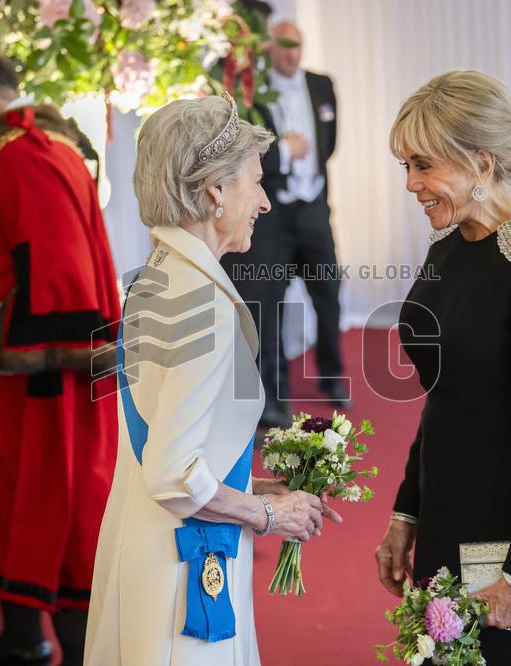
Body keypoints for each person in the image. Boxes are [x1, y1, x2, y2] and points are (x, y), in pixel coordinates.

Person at [84, 94, 341, 666]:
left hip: (143, 539)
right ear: (214, 191)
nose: (266, 202)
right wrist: (270, 515)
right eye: (256, 182)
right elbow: (175, 476)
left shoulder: (160, 275)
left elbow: (170, 434)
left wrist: (251, 486)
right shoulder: (203, 302)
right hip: (180, 566)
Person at [0, 44, 121, 665]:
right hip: (22, 369)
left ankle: (67, 648)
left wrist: (43, 361)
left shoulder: (26, 154)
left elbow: (60, 273)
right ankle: (22, 637)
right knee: (26, 503)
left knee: (52, 509)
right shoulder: (26, 148)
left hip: (39, 378)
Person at [374, 71, 511, 665]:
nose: (411, 184)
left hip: (507, 524)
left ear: (481, 164)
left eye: (423, 166)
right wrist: (406, 511)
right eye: (407, 166)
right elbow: (444, 395)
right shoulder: (447, 244)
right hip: (444, 503)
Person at [220, 19, 346, 428]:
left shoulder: (322, 85)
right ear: (269, 48)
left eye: (298, 44)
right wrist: (287, 154)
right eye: (284, 45)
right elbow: (246, 153)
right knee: (266, 301)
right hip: (270, 213)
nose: (292, 53)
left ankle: (332, 373)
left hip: (313, 209)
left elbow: (328, 142)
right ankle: (272, 396)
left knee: (329, 291)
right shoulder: (251, 91)